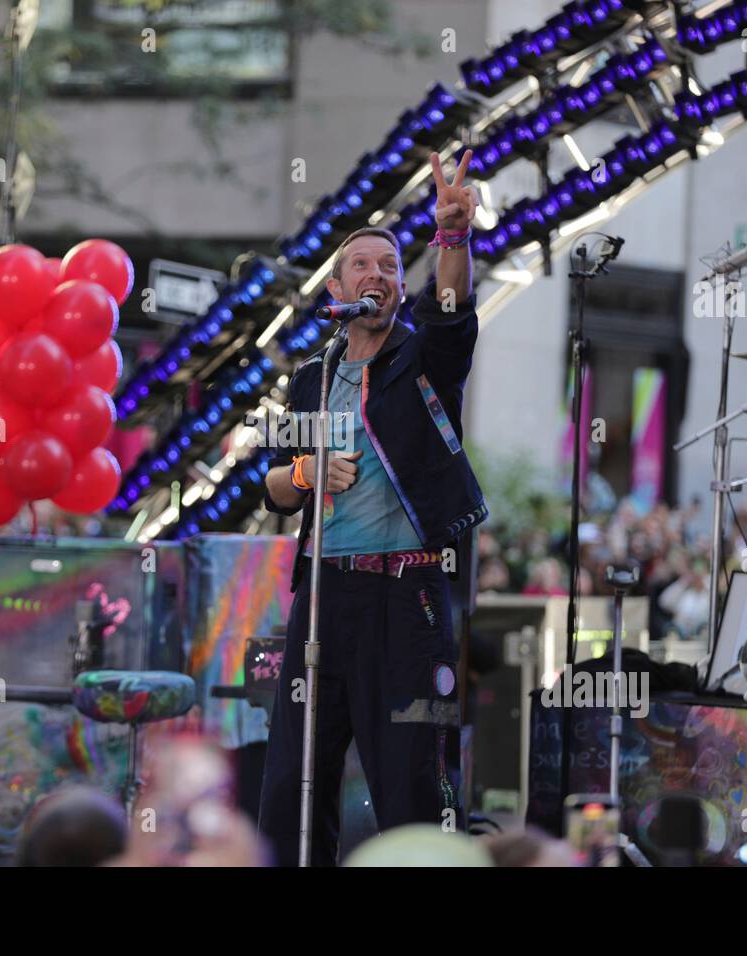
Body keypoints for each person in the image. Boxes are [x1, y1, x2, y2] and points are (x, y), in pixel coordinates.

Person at [258, 150, 488, 866]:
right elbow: (271, 489)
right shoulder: (313, 376)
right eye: (363, 265)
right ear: (336, 285)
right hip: (326, 594)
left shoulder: (421, 359)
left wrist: (450, 237)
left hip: (406, 594)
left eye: (390, 266)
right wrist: (306, 468)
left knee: (411, 780)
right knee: (293, 783)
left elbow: (450, 312)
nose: (379, 276)